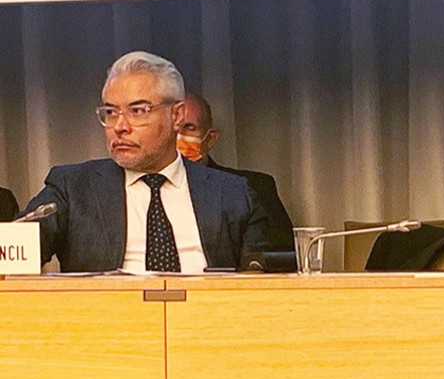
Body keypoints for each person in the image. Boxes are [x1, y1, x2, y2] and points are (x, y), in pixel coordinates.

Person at [21, 51, 268, 272]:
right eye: (110, 112)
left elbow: (268, 285)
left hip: (207, 319)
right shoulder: (73, 189)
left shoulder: (232, 193)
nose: (119, 126)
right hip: (106, 319)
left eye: (137, 111)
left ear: (177, 116)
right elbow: (12, 254)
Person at [177, 93, 295, 251]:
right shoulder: (141, 189)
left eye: (189, 128)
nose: (178, 138)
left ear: (210, 139)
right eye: (173, 128)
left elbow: (282, 259)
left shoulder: (253, 188)